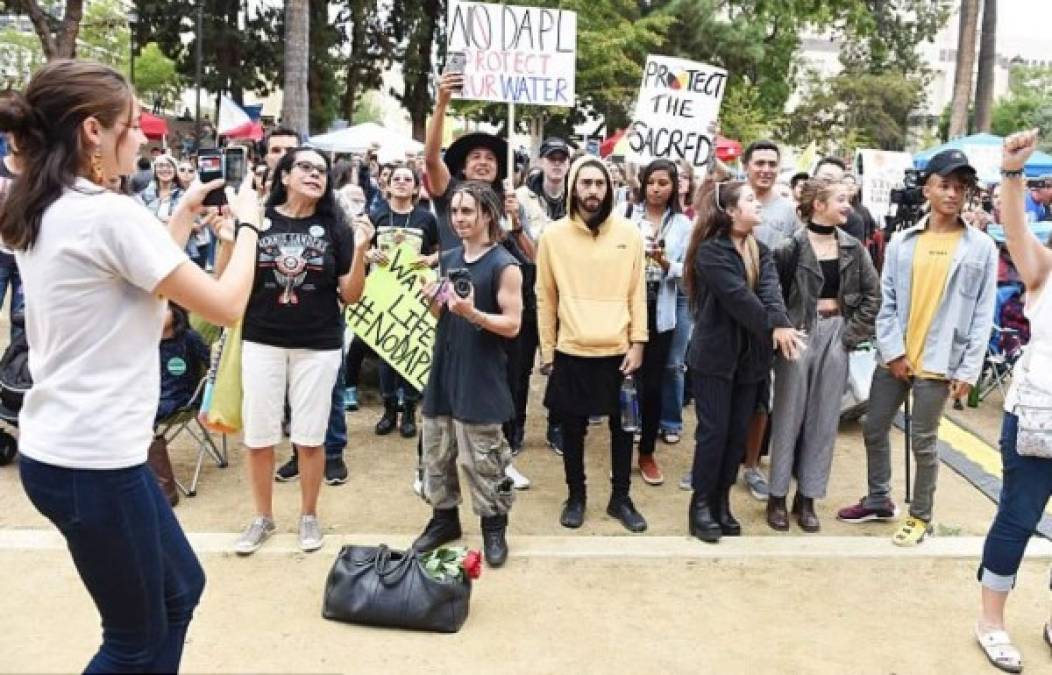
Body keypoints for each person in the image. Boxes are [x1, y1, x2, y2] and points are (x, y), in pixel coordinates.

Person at [0, 59, 261, 672]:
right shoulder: (106, 213)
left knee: (181, 591)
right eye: (131, 123)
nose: (144, 136)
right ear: (94, 132)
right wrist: (249, 225)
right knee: (133, 640)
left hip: (74, 451)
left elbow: (132, 279)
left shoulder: (49, 202)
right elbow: (224, 306)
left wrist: (182, 215)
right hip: (93, 461)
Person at [836, 148, 998, 546]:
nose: (953, 194)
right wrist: (892, 351)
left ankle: (921, 515)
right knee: (874, 425)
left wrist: (968, 371)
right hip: (897, 356)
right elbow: (886, 299)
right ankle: (878, 498)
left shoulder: (980, 247)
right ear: (928, 188)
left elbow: (982, 313)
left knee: (924, 441)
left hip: (943, 361)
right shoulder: (903, 241)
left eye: (960, 188)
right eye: (945, 185)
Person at [234, 147, 373, 556]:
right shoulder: (259, 218)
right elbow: (233, 276)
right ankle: (262, 517)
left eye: (322, 170)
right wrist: (231, 237)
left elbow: (350, 295)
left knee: (310, 438)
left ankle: (308, 516)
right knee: (259, 436)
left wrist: (361, 249)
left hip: (319, 344)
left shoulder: (336, 226)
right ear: (285, 175)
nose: (315, 175)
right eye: (306, 167)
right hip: (262, 339)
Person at [973, 129, 1052, 673]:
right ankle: (991, 621)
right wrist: (1012, 172)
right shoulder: (1044, 269)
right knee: (1019, 517)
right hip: (1038, 415)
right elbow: (1015, 229)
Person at [412, 181, 523, 568]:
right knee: (437, 450)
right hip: (445, 367)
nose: (458, 219)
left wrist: (473, 314)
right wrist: (433, 301)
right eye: (454, 211)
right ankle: (444, 520)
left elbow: (512, 325)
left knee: (486, 457)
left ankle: (495, 526)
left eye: (466, 212)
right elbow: (443, 313)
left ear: (487, 215)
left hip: (482, 374)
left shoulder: (505, 264)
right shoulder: (449, 257)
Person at [536, 156, 649, 533]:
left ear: (609, 189)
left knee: (623, 429)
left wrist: (639, 342)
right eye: (585, 183)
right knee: (572, 430)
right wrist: (548, 350)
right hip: (571, 350)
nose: (592, 191)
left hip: (618, 350)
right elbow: (545, 297)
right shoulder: (552, 236)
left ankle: (621, 498)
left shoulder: (630, 234)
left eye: (599, 184)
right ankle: (576, 496)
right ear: (573, 188)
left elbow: (638, 293)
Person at [682, 180, 799, 543]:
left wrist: (780, 322)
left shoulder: (760, 250)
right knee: (713, 434)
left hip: (751, 361)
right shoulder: (710, 253)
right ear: (731, 212)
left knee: (736, 438)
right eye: (749, 200)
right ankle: (700, 506)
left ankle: (721, 502)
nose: (757, 204)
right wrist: (773, 327)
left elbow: (769, 292)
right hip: (715, 359)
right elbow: (739, 301)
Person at [767, 179, 880, 532]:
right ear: (818, 204)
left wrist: (849, 336)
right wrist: (783, 330)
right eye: (841, 200)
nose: (848, 206)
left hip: (837, 334)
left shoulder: (853, 248)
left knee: (825, 418)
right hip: (798, 333)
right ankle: (777, 496)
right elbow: (773, 296)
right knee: (787, 416)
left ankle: (808, 497)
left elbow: (872, 296)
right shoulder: (790, 248)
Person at [735, 140, 799, 500]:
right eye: (759, 162)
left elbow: (789, 265)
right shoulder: (730, 199)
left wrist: (780, 316)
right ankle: (719, 462)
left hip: (768, 317)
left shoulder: (788, 212)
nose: (766, 169)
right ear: (746, 166)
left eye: (772, 163)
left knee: (761, 396)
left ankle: (752, 466)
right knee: (723, 391)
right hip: (730, 313)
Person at [622, 159, 692, 485]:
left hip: (660, 311)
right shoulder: (625, 216)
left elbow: (690, 273)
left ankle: (647, 451)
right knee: (621, 380)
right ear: (643, 183)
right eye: (651, 182)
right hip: (624, 311)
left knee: (652, 385)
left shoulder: (682, 225)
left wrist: (667, 263)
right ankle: (621, 451)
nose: (656, 188)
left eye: (663, 183)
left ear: (674, 186)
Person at [366, 163, 439, 438]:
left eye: (407, 179)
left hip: (414, 293)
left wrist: (429, 259)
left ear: (416, 186)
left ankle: (409, 411)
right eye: (396, 178)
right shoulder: (376, 215)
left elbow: (440, 252)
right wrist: (368, 255)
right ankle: (388, 410)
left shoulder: (426, 219)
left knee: (410, 349)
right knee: (386, 350)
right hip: (383, 292)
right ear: (386, 185)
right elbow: (362, 249)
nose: (401, 183)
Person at [514, 137, 570, 455]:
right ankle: (516, 427)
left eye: (562, 158)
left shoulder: (576, 199)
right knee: (520, 364)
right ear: (541, 161)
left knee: (561, 363)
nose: (557, 163)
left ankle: (557, 426)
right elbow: (513, 237)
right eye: (552, 157)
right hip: (526, 289)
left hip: (565, 292)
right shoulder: (520, 198)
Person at [425, 70, 509, 252]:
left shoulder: (508, 202)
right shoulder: (450, 191)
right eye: (476, 157)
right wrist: (441, 105)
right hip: (454, 277)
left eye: (490, 158)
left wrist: (516, 225)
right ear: (463, 168)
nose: (483, 162)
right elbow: (431, 159)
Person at [0, 134, 26, 341]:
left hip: (25, 259)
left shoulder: (37, 175)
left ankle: (11, 372)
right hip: (0, 254)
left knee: (20, 323)